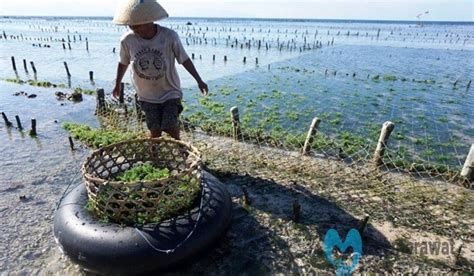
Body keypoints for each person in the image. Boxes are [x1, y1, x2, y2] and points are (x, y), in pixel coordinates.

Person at [111, 0, 208, 140]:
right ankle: (154, 156)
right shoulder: (127, 40)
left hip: (170, 92)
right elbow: (123, 63)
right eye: (130, 24)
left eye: (136, 23)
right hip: (146, 95)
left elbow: (184, 59)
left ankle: (181, 151)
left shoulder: (169, 36)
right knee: (155, 131)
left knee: (170, 126)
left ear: (148, 20)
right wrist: (117, 84)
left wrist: (199, 80)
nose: (132, 27)